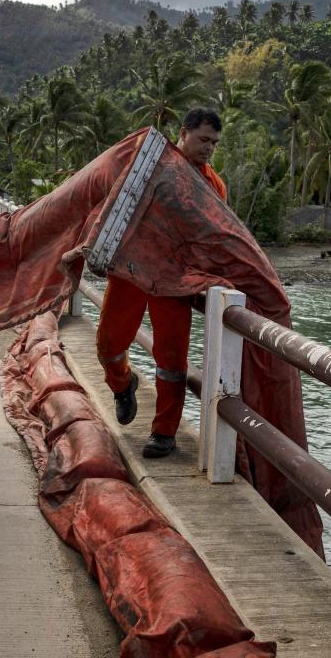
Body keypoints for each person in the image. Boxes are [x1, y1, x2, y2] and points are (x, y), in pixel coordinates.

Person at [96, 108, 227, 459]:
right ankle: (123, 386)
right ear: (183, 134)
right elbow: (113, 206)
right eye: (203, 140)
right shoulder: (146, 166)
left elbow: (216, 239)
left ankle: (164, 433)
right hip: (132, 272)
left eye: (214, 143)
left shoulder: (213, 186)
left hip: (173, 282)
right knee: (108, 344)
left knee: (171, 361)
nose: (209, 148)